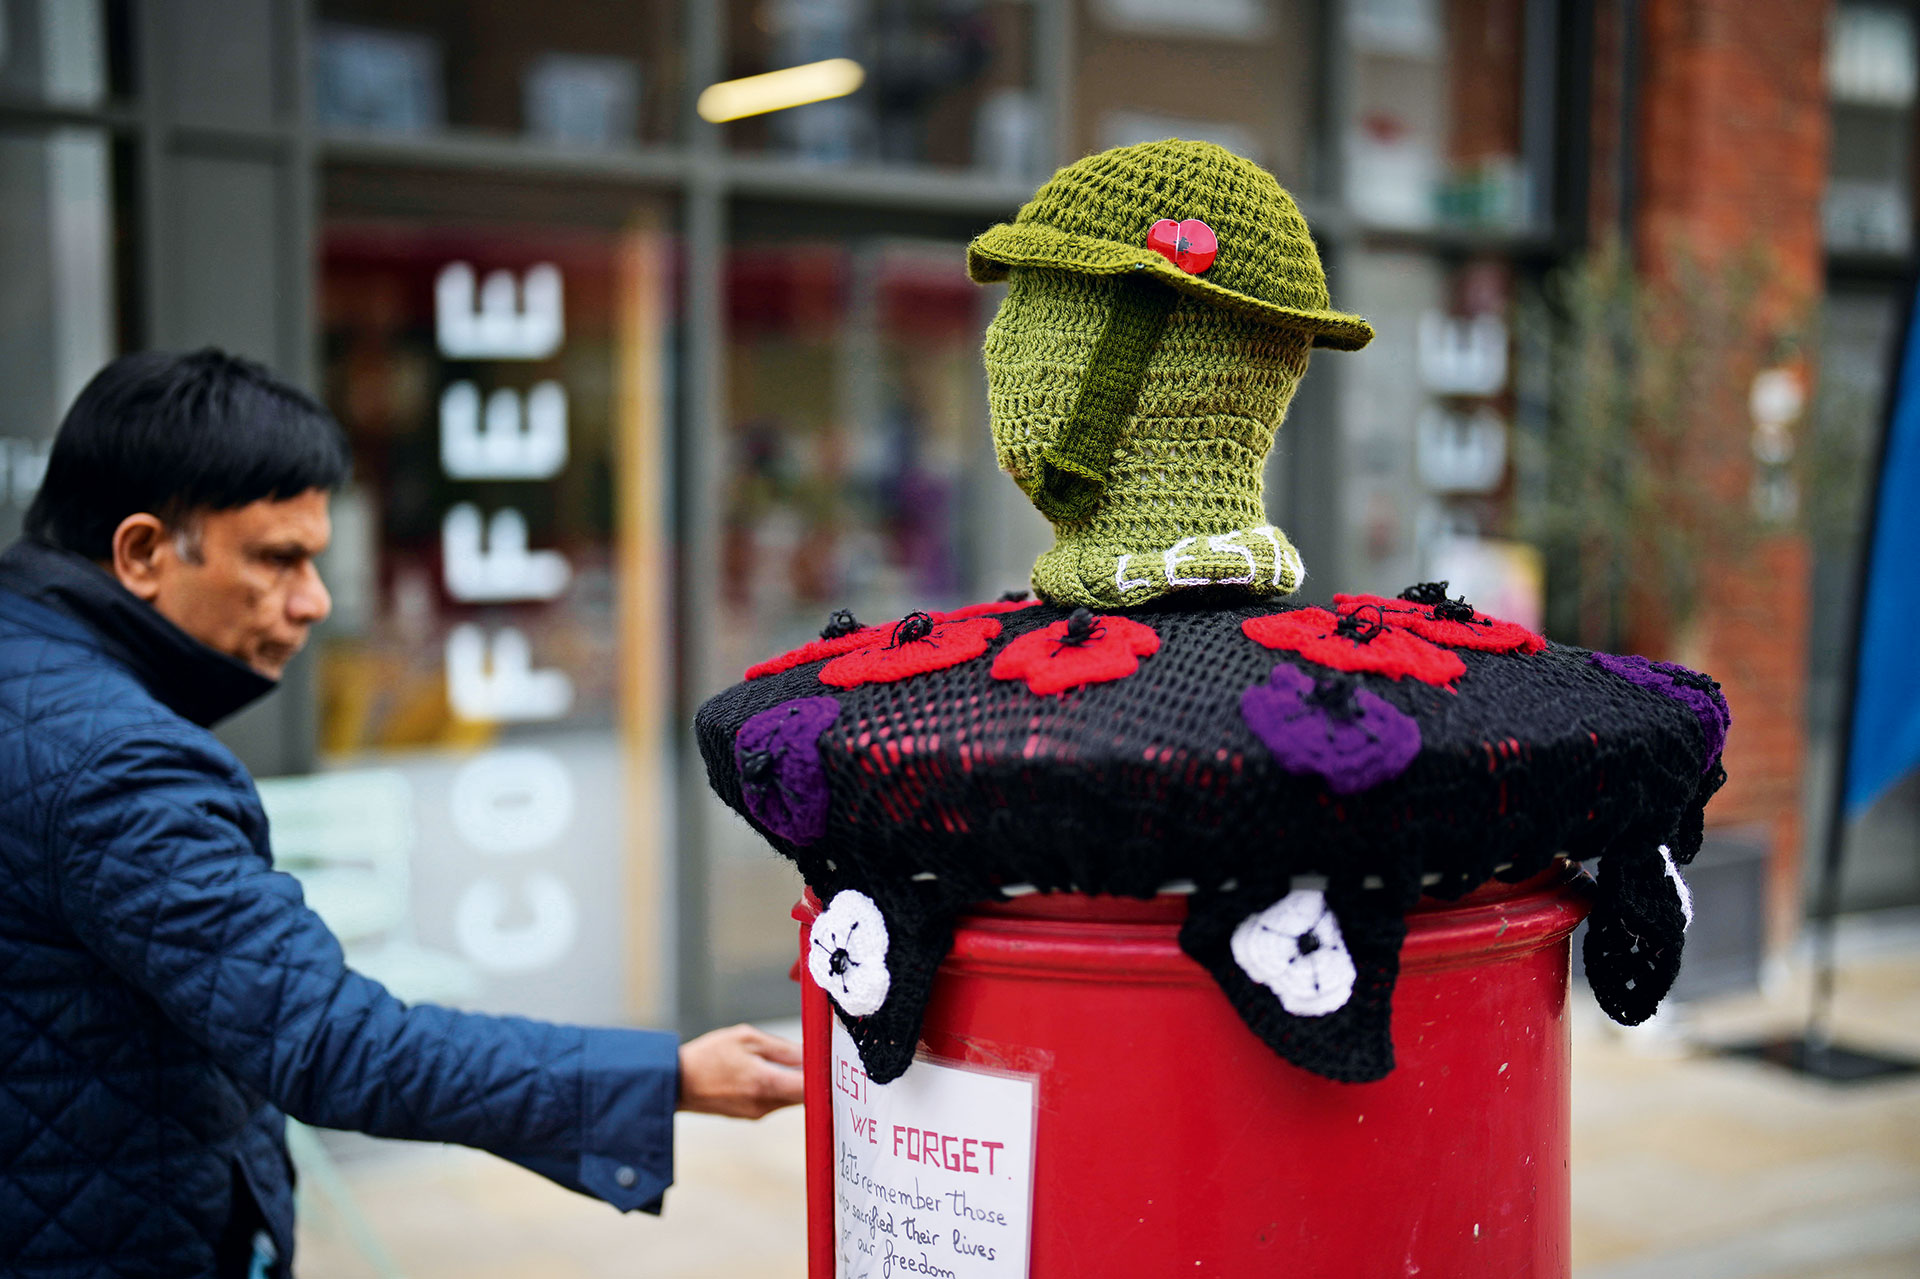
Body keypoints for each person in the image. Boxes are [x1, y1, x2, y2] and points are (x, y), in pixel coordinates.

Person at [0, 349, 805, 1278]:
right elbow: (334, 1042)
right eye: (277, 558)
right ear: (142, 551)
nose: (316, 601)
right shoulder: (119, 763)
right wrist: (670, 1077)